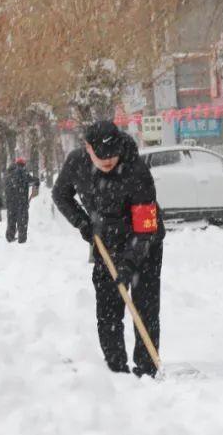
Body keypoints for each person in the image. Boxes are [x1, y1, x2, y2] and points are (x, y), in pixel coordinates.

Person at [53, 120, 165, 377]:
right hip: (105, 243)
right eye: (101, 157)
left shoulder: (136, 171)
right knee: (107, 308)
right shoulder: (77, 163)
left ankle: (146, 369)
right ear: (88, 148)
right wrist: (82, 223)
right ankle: (116, 369)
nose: (108, 162)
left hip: (144, 242)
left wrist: (129, 263)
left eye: (112, 156)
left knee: (144, 305)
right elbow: (61, 195)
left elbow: (146, 227)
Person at [4, 157, 40, 243]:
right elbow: (30, 180)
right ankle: (22, 239)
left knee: (11, 219)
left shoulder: (8, 175)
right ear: (23, 165)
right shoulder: (21, 171)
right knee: (22, 219)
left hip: (10, 202)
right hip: (21, 201)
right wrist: (37, 181)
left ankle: (10, 236)